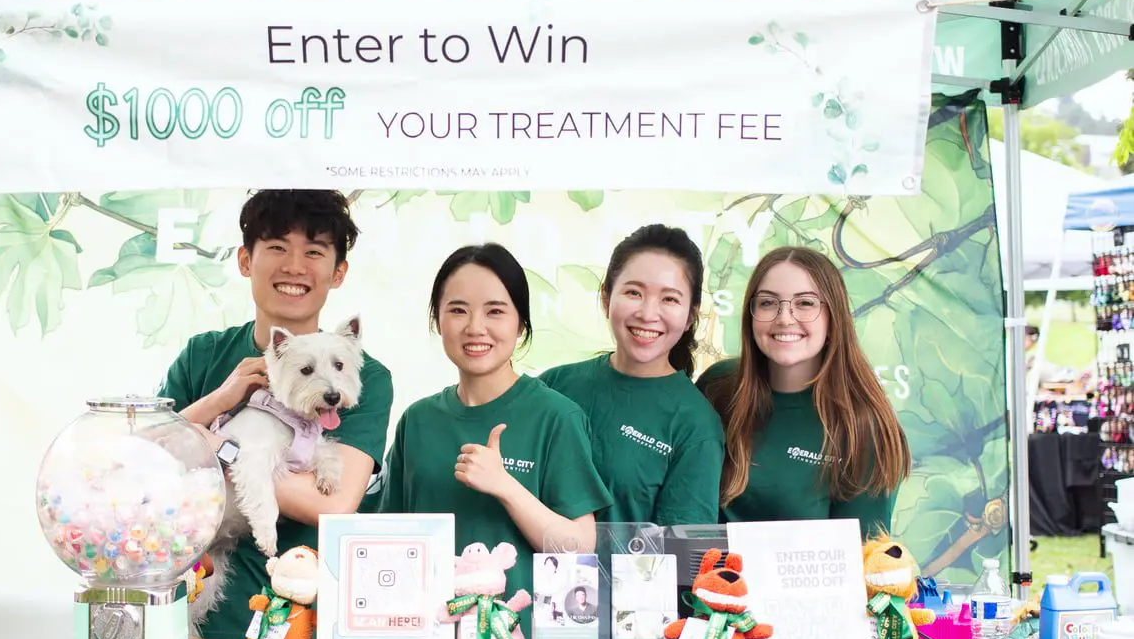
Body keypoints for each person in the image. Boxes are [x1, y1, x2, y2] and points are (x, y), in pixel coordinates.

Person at [161, 189, 393, 639]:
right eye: (277, 247)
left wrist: (221, 450)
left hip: (307, 630)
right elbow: (153, 461)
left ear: (338, 271)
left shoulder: (361, 379)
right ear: (245, 260)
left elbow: (332, 504)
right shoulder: (203, 355)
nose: (294, 266)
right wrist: (217, 402)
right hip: (197, 622)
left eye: (314, 251)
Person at [380, 242, 609, 564]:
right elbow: (389, 534)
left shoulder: (556, 417)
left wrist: (505, 486)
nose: (475, 327)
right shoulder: (418, 420)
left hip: (518, 613)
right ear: (437, 320)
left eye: (495, 311)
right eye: (458, 310)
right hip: (427, 614)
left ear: (521, 324)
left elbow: (580, 546)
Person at [698, 246, 909, 534]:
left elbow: (860, 560)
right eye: (768, 303)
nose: (784, 318)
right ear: (751, 315)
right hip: (698, 576)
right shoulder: (717, 388)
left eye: (806, 303)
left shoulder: (863, 426)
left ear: (833, 318)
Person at [540, 223, 723, 525]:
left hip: (632, 574)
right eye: (634, 292)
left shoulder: (696, 423)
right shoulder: (554, 386)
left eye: (670, 299)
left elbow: (680, 553)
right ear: (606, 297)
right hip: (539, 571)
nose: (648, 313)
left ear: (691, 315)